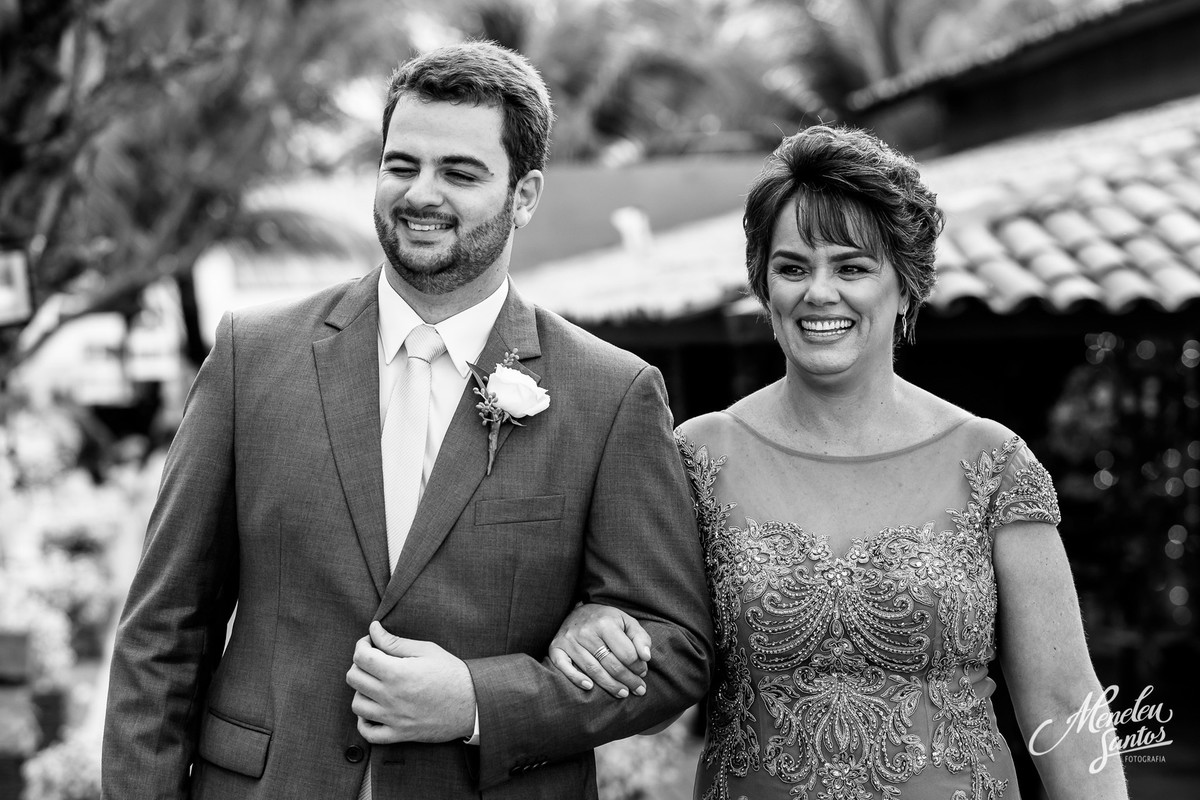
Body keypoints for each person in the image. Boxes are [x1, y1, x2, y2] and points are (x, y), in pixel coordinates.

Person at [102, 41, 712, 800]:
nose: (421, 193)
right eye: (401, 165)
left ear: (525, 195)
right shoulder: (249, 357)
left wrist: (478, 702)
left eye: (460, 172)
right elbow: (165, 627)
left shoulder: (611, 393)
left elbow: (675, 649)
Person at [549, 125, 1129, 799]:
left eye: (852, 267)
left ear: (907, 286)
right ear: (764, 288)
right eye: (793, 268)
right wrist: (594, 625)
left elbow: (1063, 703)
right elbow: (659, 696)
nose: (819, 292)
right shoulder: (694, 458)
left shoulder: (994, 463)